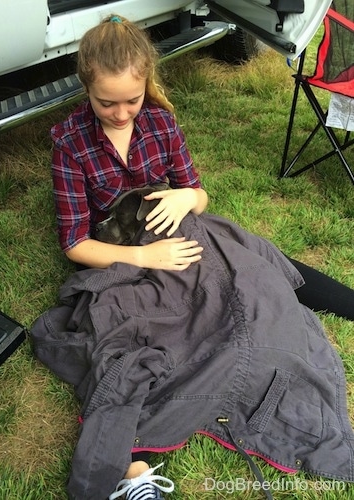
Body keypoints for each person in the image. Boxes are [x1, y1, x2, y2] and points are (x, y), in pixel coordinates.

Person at [50, 14, 354, 500]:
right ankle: (134, 470)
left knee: (253, 271)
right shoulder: (69, 142)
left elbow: (197, 191)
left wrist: (187, 199)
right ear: (86, 87)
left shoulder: (160, 121)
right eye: (107, 103)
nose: (123, 113)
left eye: (132, 100)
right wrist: (148, 260)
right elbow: (75, 245)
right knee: (147, 339)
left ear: (147, 83)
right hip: (125, 250)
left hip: (181, 226)